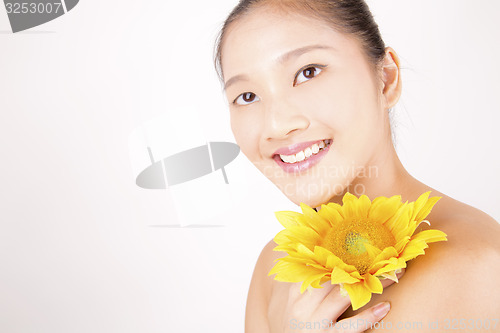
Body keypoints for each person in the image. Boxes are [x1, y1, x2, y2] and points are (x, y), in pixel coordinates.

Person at [213, 0, 500, 332]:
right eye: (247, 96)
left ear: (386, 78)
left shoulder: (475, 265)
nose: (276, 124)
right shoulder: (275, 268)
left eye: (308, 72)